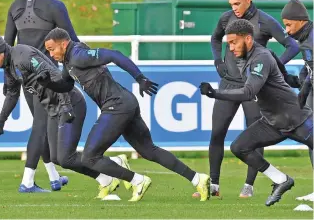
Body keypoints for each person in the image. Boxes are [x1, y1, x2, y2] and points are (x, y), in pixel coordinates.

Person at [43, 27, 211, 202]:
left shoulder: (78, 55)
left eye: (52, 49)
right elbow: (66, 85)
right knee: (148, 150)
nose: (51, 54)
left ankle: (138, 181)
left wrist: (139, 77)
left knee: (89, 157)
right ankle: (197, 178)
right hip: (125, 104)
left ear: (64, 44)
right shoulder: (69, 60)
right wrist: (49, 84)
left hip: (117, 106)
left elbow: (114, 55)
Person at [0, 31, 130, 196]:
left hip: (70, 103)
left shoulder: (23, 56)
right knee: (58, 158)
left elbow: (55, 75)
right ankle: (105, 179)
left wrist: (66, 106)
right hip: (53, 108)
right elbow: (12, 94)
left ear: (1, 50)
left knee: (66, 158)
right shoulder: (9, 66)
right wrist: (1, 121)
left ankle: (114, 163)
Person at [199, 19, 313, 206]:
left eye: (234, 42)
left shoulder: (261, 57)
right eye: (228, 44)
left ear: (248, 39)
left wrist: (215, 93)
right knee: (239, 147)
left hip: (297, 119)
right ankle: (281, 180)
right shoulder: (248, 57)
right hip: (272, 122)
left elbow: (248, 92)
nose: (231, 48)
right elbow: (283, 75)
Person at [207, 0, 301, 198]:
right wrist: (217, 61)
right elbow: (214, 38)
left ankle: (248, 186)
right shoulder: (226, 18)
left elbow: (293, 46)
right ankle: (214, 185)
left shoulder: (265, 21)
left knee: (254, 136)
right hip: (229, 83)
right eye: (231, 3)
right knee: (217, 133)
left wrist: (274, 66)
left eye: (237, 3)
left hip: (254, 88)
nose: (234, 8)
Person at [2, 0, 80, 191]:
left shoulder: (15, 5)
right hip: (47, 75)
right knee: (41, 124)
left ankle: (54, 177)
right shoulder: (55, 5)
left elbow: (8, 45)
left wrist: (11, 79)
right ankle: (27, 181)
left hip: (24, 75)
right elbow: (71, 41)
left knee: (41, 123)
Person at [280, 0, 314, 202]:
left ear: (301, 21)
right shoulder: (305, 37)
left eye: (289, 24)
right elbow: (309, 70)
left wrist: (302, 95)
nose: (287, 30)